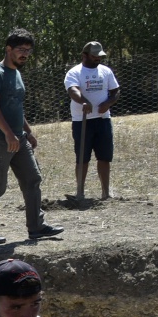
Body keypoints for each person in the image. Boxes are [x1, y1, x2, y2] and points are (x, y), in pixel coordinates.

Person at [0, 28, 64, 247]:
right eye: (21, 50)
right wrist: (8, 133)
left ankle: (36, 227)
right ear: (8, 49)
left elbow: (15, 105)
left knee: (32, 179)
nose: (25, 54)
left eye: (28, 50)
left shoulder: (16, 73)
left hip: (19, 138)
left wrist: (27, 132)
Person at [64, 42, 120, 200]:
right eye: (94, 56)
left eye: (99, 56)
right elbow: (72, 89)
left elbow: (115, 91)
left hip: (103, 119)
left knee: (104, 157)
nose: (98, 59)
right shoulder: (74, 72)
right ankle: (80, 192)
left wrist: (108, 103)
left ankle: (106, 193)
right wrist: (83, 101)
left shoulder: (106, 71)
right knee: (82, 157)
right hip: (81, 121)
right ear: (84, 55)